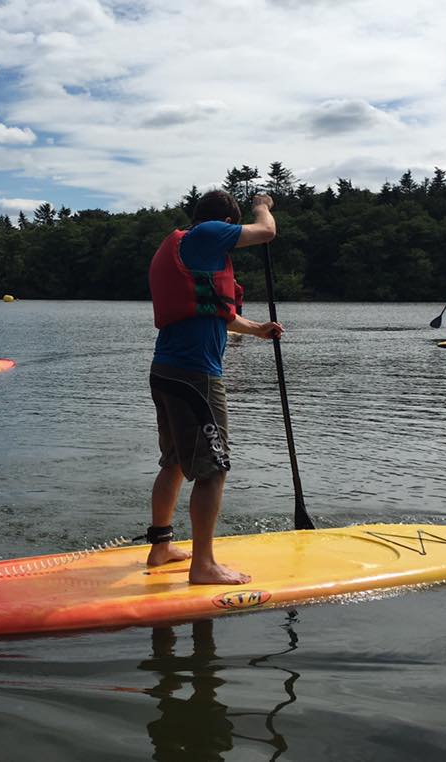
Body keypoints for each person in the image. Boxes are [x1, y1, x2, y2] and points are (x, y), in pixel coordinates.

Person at [147, 190, 282, 585]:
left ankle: (160, 548)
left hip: (167, 370)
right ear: (225, 222)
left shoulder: (188, 248)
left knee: (173, 462)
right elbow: (266, 232)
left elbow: (215, 312)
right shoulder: (209, 233)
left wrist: (257, 329)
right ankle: (203, 565)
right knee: (213, 470)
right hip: (196, 376)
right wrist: (263, 206)